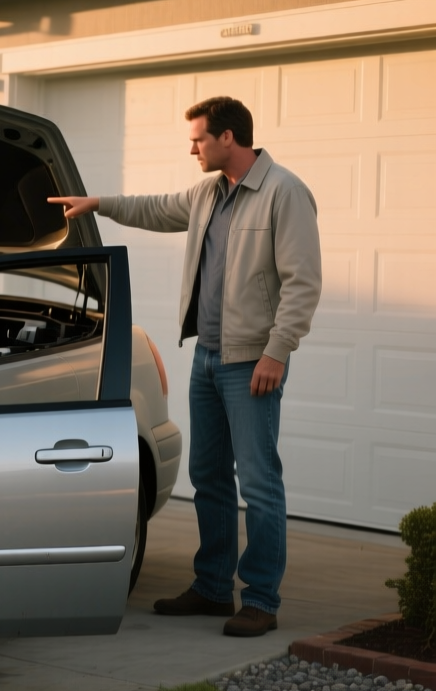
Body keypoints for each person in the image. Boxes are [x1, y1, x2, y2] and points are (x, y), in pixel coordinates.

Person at [49, 96, 321, 638]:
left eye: (198, 138)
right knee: (209, 476)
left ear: (228, 138)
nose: (191, 147)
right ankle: (214, 588)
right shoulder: (206, 193)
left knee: (260, 482)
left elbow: (303, 282)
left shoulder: (283, 192)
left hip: (252, 363)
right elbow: (154, 207)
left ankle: (261, 600)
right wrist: (98, 203)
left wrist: (277, 351)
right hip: (207, 357)